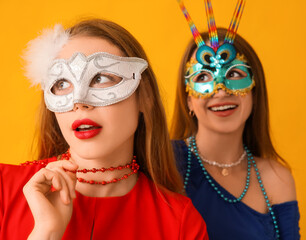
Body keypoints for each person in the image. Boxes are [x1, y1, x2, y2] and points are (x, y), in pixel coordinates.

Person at [0, 19, 208, 240]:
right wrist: (47, 232)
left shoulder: (181, 223)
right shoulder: (4, 189)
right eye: (62, 83)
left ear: (145, 97)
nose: (79, 101)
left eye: (101, 78)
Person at [171, 0, 300, 239]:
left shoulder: (276, 178)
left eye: (233, 74)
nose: (220, 90)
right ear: (188, 100)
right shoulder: (165, 163)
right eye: (203, 76)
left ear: (254, 90)